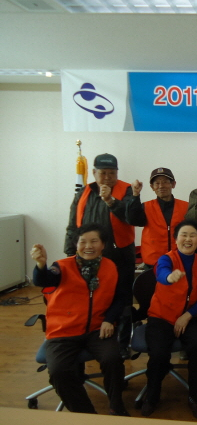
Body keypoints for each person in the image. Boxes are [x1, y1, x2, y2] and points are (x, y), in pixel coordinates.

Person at [31, 223, 129, 416]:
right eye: (83, 242)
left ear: (103, 245)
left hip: (97, 329)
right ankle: (86, 415)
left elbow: (120, 299)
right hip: (63, 331)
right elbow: (43, 280)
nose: (88, 246)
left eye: (94, 241)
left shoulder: (111, 267)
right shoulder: (61, 267)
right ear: (76, 245)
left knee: (113, 360)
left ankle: (116, 406)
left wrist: (109, 319)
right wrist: (41, 265)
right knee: (59, 372)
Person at [141, 220, 197, 420]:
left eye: (192, 235)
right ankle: (152, 396)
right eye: (184, 235)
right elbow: (161, 273)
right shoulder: (166, 259)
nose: (188, 239)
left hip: (191, 316)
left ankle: (195, 397)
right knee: (158, 353)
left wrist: (188, 315)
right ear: (175, 239)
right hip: (161, 316)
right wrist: (169, 277)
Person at [64, 153, 135, 357]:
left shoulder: (126, 190)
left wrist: (110, 200)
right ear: (94, 173)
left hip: (120, 255)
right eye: (103, 173)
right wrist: (70, 254)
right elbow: (73, 225)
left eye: (112, 173)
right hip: (87, 256)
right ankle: (91, 338)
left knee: (122, 299)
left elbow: (131, 216)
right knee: (90, 297)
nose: (107, 177)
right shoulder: (83, 192)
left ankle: (122, 344)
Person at [126, 167, 188, 269]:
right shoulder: (146, 207)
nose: (161, 186)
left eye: (165, 182)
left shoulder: (186, 207)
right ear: (152, 187)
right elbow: (132, 220)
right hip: (153, 262)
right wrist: (135, 195)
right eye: (157, 183)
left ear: (173, 184)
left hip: (180, 260)